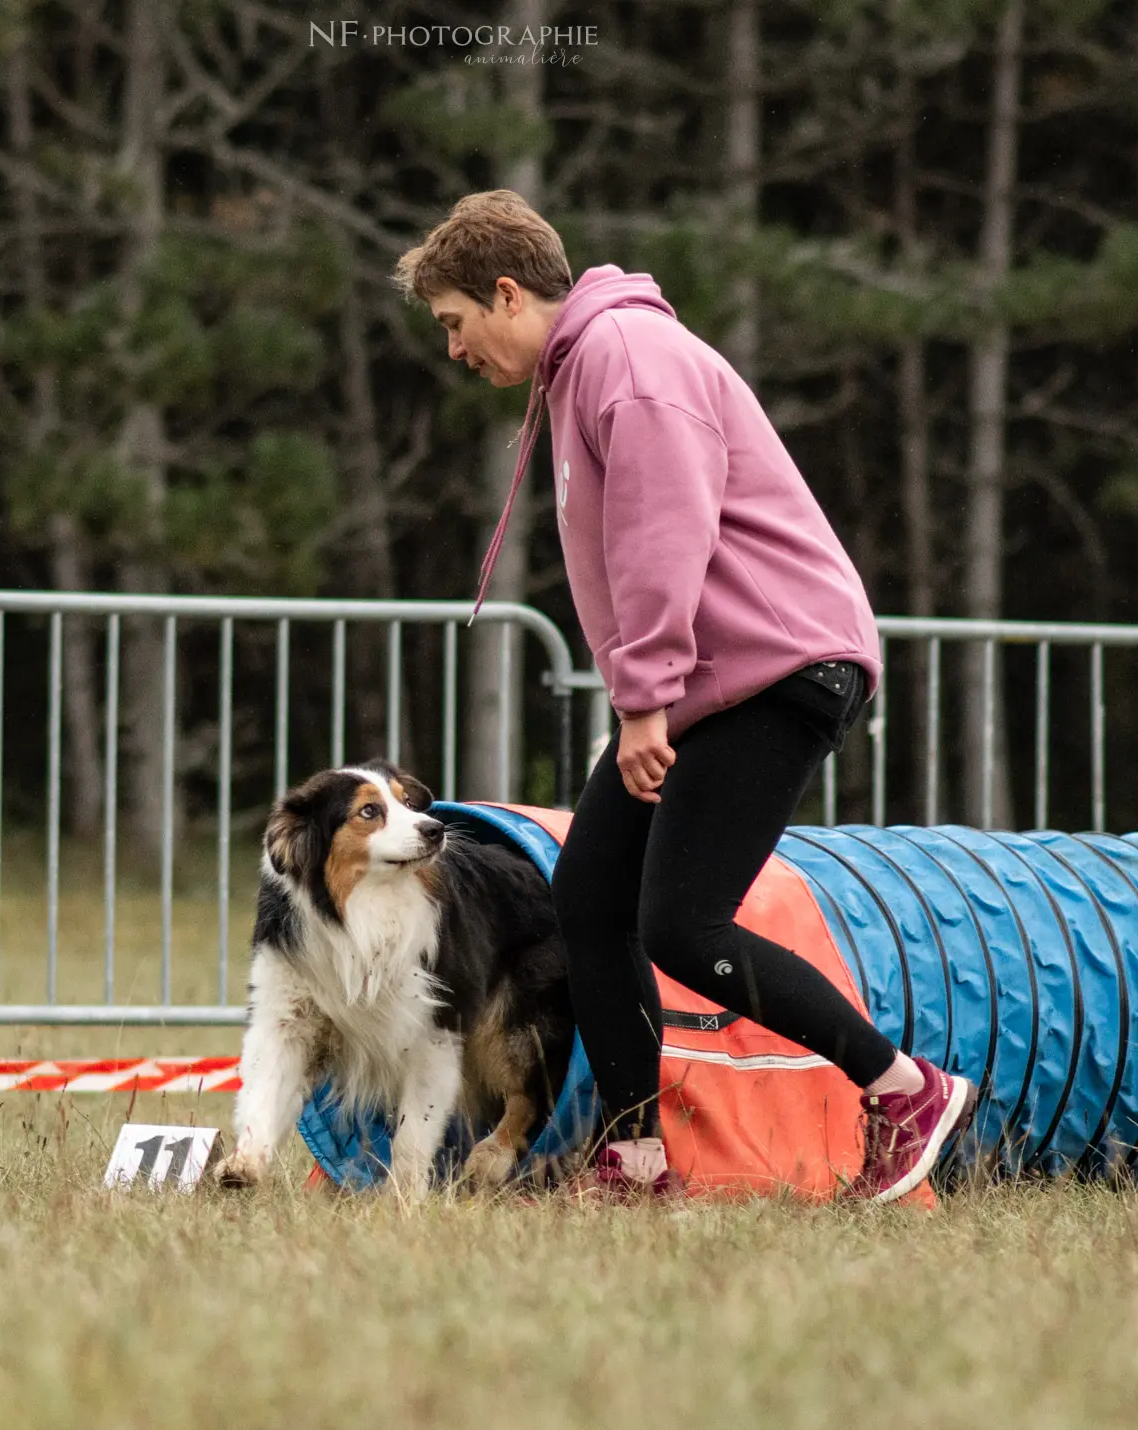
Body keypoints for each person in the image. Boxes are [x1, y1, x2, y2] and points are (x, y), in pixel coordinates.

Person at [393, 190, 975, 1203]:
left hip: (777, 668)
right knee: (587, 895)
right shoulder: (583, 371)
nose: (451, 350)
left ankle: (902, 1087)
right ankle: (635, 1154)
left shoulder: (627, 358)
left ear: (503, 292)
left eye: (451, 322)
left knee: (683, 925)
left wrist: (642, 700)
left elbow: (663, 537)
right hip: (720, 678)